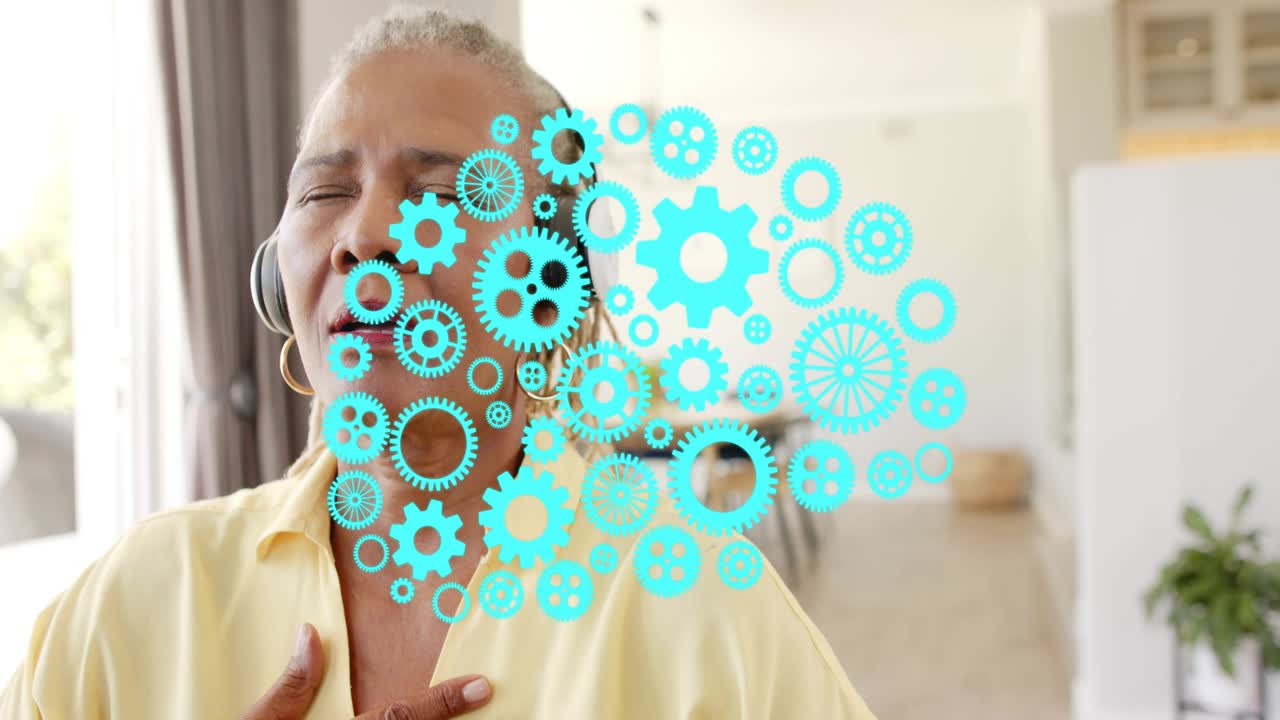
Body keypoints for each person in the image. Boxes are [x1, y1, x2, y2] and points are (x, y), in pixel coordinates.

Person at [0, 6, 876, 718]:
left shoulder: (707, 618)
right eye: (325, 191)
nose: (367, 235)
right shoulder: (134, 604)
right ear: (279, 277)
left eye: (447, 192)